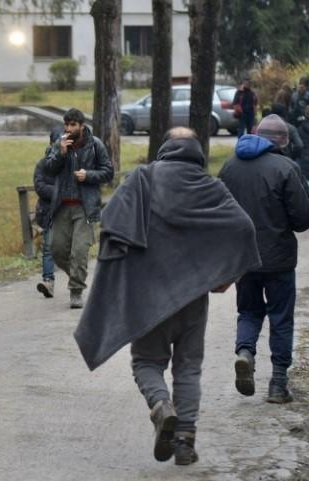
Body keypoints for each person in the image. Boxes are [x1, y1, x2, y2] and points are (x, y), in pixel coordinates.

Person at [74, 127, 260, 465]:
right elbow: (244, 228)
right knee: (188, 368)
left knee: (146, 362)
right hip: (193, 299)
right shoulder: (211, 187)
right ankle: (185, 442)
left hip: (148, 298)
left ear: (164, 149)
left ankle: (161, 407)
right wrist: (227, 276)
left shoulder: (141, 180)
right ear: (196, 152)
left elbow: (111, 223)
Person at [218, 114, 309, 405]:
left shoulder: (229, 167)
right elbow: (303, 219)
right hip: (279, 260)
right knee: (280, 318)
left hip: (243, 259)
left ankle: (245, 353)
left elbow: (219, 212)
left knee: (248, 312)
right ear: (282, 143)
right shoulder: (286, 168)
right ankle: (278, 384)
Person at [42, 108, 114, 308]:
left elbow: (108, 171)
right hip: (62, 205)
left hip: (85, 206)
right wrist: (61, 154)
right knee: (56, 249)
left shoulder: (95, 145)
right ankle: (76, 276)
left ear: (82, 125)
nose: (68, 128)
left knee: (79, 251)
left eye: (73, 124)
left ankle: (76, 291)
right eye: (66, 124)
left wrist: (88, 175)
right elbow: (47, 169)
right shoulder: (60, 144)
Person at [34, 126, 61, 298]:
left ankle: (76, 283)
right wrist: (59, 192)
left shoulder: (71, 162)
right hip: (49, 211)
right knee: (48, 247)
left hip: (69, 211)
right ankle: (48, 281)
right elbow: (40, 186)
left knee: (72, 249)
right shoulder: (43, 164)